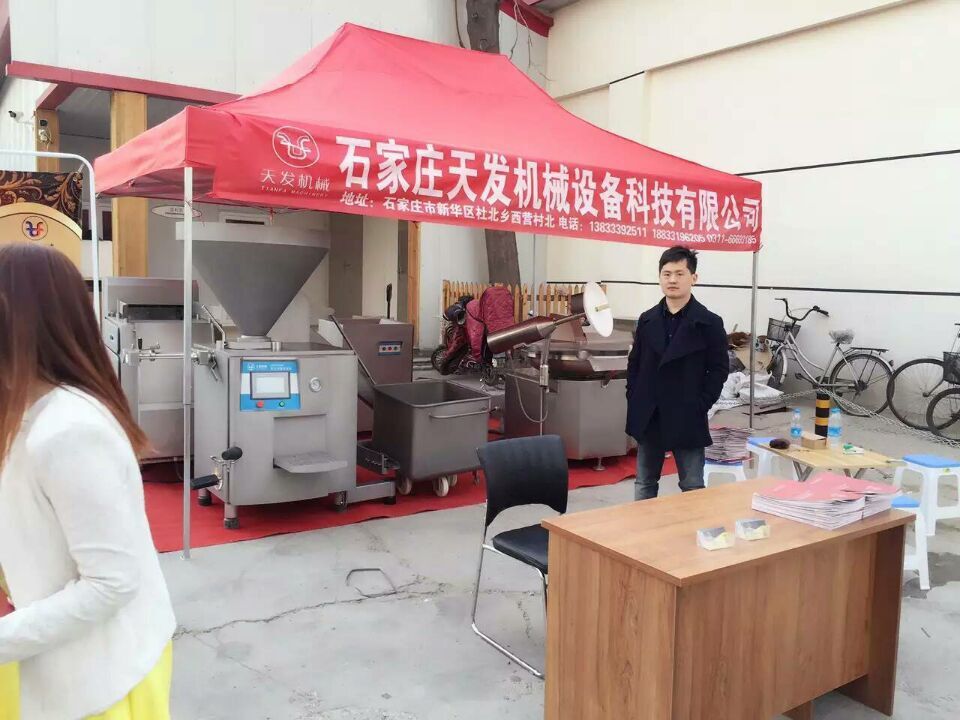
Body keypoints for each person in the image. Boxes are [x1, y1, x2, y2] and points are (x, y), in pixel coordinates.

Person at [0, 244, 176, 719]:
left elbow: (111, 582)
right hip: (49, 660)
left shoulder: (69, 431)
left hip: (102, 680)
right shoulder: (25, 410)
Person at [625, 246, 728, 500]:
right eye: (667, 273)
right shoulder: (647, 319)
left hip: (687, 412)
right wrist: (634, 396)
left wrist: (701, 403)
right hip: (650, 412)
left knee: (692, 486)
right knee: (644, 483)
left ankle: (690, 526)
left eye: (680, 273)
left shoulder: (709, 323)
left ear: (694, 277)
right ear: (660, 277)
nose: (672, 280)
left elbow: (718, 369)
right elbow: (634, 363)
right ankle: (642, 526)